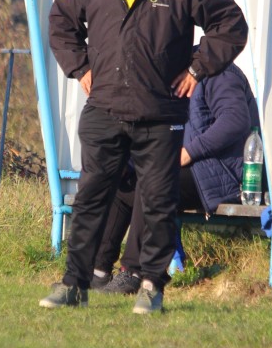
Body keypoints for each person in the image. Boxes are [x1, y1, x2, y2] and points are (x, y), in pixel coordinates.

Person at [39, 0, 248, 314]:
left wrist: (197, 68)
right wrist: (80, 69)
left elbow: (231, 24)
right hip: (104, 110)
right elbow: (60, 21)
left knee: (157, 200)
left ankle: (152, 286)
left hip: (161, 115)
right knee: (91, 197)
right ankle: (73, 284)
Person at [92, 62, 261, 294]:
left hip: (218, 175)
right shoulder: (168, 73)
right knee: (123, 180)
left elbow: (235, 120)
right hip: (184, 169)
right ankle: (98, 272)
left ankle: (133, 272)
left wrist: (188, 152)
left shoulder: (218, 72)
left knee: (152, 182)